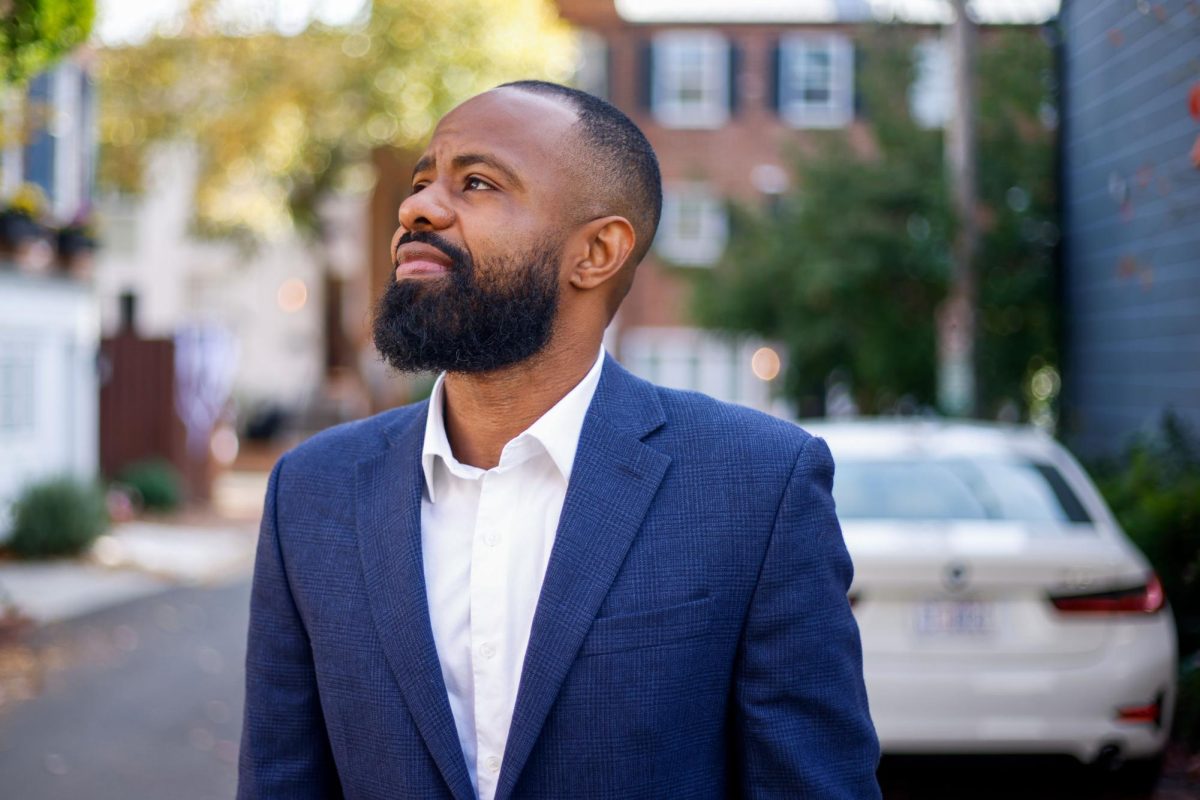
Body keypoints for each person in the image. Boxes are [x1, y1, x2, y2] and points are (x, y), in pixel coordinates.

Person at [238, 81, 880, 800]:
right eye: (423, 183)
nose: (416, 207)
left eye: (476, 183)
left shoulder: (755, 487)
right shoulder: (312, 491)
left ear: (598, 251)